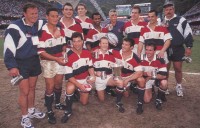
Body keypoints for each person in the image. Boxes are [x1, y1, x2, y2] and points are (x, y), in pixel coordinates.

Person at [3, 3, 45, 128]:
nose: (34, 16)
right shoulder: (14, 27)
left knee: (32, 88)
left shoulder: (38, 23)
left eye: (36, 13)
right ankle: (24, 117)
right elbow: (8, 48)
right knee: (24, 91)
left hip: (34, 60)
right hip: (21, 63)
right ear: (24, 14)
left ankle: (31, 110)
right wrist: (12, 66)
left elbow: (54, 21)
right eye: (31, 13)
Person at [37, 7, 66, 124]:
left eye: (56, 16)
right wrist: (56, 59)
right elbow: (41, 52)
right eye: (52, 16)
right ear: (47, 17)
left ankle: (57, 103)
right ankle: (49, 111)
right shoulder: (42, 32)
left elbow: (64, 44)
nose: (55, 18)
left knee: (58, 84)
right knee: (50, 87)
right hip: (48, 61)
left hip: (59, 60)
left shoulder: (61, 29)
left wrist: (63, 52)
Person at [61, 32, 96, 123]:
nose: (76, 43)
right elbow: (69, 76)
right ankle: (68, 110)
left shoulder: (87, 52)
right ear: (71, 42)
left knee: (84, 103)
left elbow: (90, 67)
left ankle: (76, 93)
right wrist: (79, 86)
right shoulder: (68, 55)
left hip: (84, 79)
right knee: (70, 88)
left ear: (82, 41)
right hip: (74, 80)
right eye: (74, 41)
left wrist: (92, 76)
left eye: (79, 41)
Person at [163, 1, 193, 97]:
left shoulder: (181, 20)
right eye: (167, 9)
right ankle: (165, 87)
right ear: (164, 11)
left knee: (178, 68)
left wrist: (188, 47)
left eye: (170, 9)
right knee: (165, 70)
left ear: (174, 9)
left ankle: (179, 86)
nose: (169, 11)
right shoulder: (160, 22)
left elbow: (188, 33)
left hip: (178, 48)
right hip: (165, 49)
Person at [110, 38, 146, 114]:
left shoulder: (135, 58)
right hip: (117, 75)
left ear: (132, 47)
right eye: (123, 44)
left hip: (128, 77)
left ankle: (140, 103)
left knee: (141, 80)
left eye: (126, 45)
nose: (123, 46)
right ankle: (118, 102)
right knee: (124, 92)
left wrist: (127, 80)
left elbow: (140, 72)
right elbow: (104, 51)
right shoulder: (115, 51)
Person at [141, 42, 168, 110]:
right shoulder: (141, 58)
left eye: (150, 50)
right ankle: (152, 89)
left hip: (156, 79)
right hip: (146, 79)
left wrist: (150, 76)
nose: (148, 52)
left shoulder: (160, 59)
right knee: (146, 100)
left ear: (154, 51)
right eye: (146, 49)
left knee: (164, 83)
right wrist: (146, 74)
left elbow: (164, 75)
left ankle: (158, 99)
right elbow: (137, 72)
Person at [92, 37, 117, 102]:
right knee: (102, 100)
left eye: (106, 43)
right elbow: (89, 67)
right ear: (99, 44)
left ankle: (118, 100)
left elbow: (116, 69)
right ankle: (101, 90)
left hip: (108, 77)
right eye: (103, 43)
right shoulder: (94, 54)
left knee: (119, 82)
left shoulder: (112, 55)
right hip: (98, 78)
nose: (105, 45)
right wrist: (95, 73)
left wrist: (116, 76)